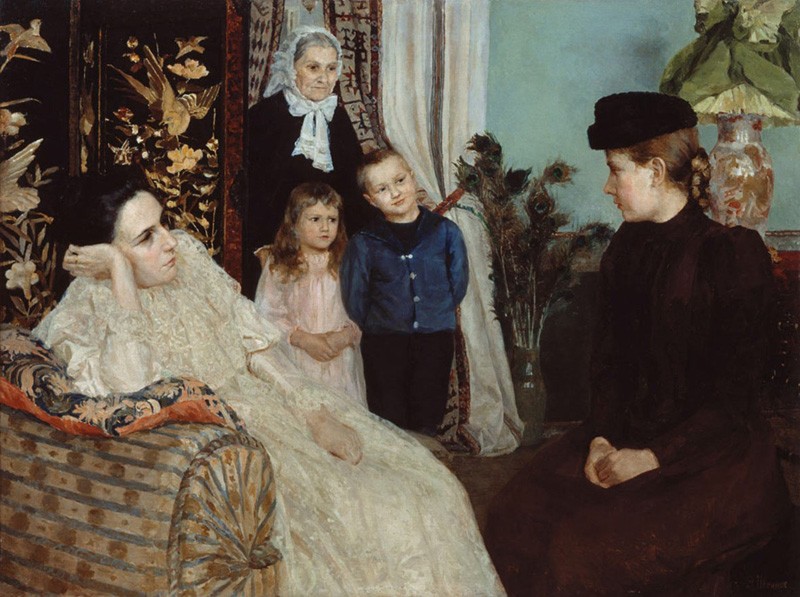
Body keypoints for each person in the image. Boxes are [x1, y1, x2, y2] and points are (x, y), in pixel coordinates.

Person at [33, 174, 504, 596]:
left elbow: (255, 347)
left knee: (432, 490)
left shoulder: (188, 258)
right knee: (371, 513)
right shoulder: (87, 310)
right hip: (225, 445)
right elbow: (136, 390)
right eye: (145, 238)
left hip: (278, 406)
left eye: (163, 224)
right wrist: (120, 274)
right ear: (99, 257)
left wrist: (314, 413)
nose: (169, 242)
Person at [484, 92, 791, 595]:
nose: (607, 187)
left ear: (655, 171)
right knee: (514, 516)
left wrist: (652, 457)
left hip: (709, 453)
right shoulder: (626, 247)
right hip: (624, 435)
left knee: (581, 551)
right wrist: (602, 439)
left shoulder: (731, 255)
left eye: (614, 170)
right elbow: (609, 365)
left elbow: (735, 397)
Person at [340, 148, 469, 435]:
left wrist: (435, 310)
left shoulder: (446, 232)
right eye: (382, 189)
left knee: (427, 413)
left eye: (400, 181)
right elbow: (354, 298)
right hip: (384, 343)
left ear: (412, 177)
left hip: (435, 337)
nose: (395, 193)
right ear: (370, 199)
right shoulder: (363, 242)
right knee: (389, 416)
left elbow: (458, 283)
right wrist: (382, 322)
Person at [245, 26, 377, 298]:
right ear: (291, 69)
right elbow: (251, 190)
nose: (323, 78)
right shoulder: (264, 116)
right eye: (313, 67)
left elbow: (352, 189)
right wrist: (261, 245)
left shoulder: (338, 118)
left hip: (329, 243)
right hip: (276, 245)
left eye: (331, 69)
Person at [254, 181, 366, 406]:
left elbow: (362, 309)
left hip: (338, 358)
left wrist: (344, 336)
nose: (325, 228)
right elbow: (267, 313)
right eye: (315, 219)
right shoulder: (279, 264)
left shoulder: (346, 263)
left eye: (332, 220)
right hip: (297, 356)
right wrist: (304, 339)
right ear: (294, 224)